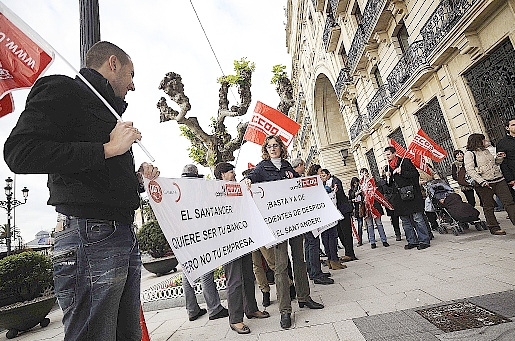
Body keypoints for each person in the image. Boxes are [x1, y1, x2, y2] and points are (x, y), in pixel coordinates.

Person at [3, 41, 158, 341]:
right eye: (131, 74)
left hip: (121, 232)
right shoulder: (61, 90)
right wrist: (108, 149)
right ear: (113, 63)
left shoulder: (109, 111)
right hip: (90, 236)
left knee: (128, 334)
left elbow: (101, 179)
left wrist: (138, 180)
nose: (133, 85)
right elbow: (19, 153)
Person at [244, 135, 324, 329]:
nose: (272, 148)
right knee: (280, 267)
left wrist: (313, 182)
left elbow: (299, 186)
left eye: (276, 145)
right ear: (266, 149)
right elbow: (253, 176)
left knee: (299, 259)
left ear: (281, 148)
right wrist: (246, 179)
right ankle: (285, 311)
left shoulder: (288, 166)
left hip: (295, 223)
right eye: (269, 146)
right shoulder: (262, 167)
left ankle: (304, 297)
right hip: (277, 226)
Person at [213, 162, 270, 334]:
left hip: (244, 238)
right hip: (229, 242)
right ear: (222, 174)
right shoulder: (215, 192)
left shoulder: (238, 189)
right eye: (231, 172)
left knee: (247, 276)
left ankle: (251, 308)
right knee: (234, 280)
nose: (234, 174)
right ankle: (235, 319)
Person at [180, 164, 229, 322]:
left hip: (183, 237)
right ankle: (214, 308)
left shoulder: (176, 188)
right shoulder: (196, 188)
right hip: (198, 233)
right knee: (206, 270)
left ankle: (192, 310)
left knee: (188, 272)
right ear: (195, 174)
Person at [464, 134, 515, 235]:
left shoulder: (486, 151)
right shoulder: (469, 154)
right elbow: (470, 170)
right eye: (483, 139)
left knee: (509, 202)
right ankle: (493, 227)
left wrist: (499, 158)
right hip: (485, 183)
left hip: (499, 179)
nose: (486, 141)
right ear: (478, 141)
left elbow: (494, 163)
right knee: (488, 206)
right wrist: (481, 181)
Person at [384, 146, 431, 250]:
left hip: (411, 195)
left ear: (394, 153)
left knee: (417, 218)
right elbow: (389, 185)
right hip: (399, 198)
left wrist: (402, 172)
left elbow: (415, 175)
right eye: (385, 155)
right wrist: (388, 177)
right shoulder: (387, 167)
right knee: (405, 221)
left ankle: (424, 240)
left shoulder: (405, 162)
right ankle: (412, 241)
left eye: (388, 154)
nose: (387, 157)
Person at [301, 164, 335, 284]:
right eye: (320, 172)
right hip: (311, 219)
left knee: (310, 244)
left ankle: (313, 271)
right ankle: (316, 274)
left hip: (309, 219)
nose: (321, 174)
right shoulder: (311, 184)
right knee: (313, 245)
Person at [320, 169, 357, 262]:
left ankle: (350, 253)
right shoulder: (324, 184)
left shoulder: (336, 181)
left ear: (328, 174)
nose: (322, 177)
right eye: (321, 176)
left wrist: (332, 191)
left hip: (343, 210)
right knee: (340, 233)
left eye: (324, 175)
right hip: (336, 213)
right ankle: (347, 251)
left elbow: (338, 193)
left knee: (346, 233)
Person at [359, 168, 389, 249]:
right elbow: (355, 195)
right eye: (362, 173)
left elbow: (379, 192)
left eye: (365, 173)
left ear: (368, 173)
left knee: (379, 223)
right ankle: (372, 242)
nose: (364, 174)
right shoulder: (360, 184)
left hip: (374, 206)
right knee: (369, 225)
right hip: (366, 207)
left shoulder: (373, 182)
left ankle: (384, 240)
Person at [378, 171, 402, 241]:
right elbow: (381, 193)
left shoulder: (394, 179)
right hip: (389, 202)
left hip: (397, 200)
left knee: (403, 217)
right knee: (394, 218)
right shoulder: (381, 182)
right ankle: (397, 233)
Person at [496, 117, 515, 202]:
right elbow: (503, 163)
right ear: (508, 128)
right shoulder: (502, 144)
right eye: (513, 125)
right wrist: (510, 179)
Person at [348, 177, 365, 246]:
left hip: (363, 206)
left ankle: (371, 239)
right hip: (357, 209)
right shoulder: (351, 191)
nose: (356, 184)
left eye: (356, 183)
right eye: (354, 183)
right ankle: (359, 240)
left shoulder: (361, 189)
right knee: (360, 224)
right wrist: (354, 197)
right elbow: (350, 198)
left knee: (369, 224)